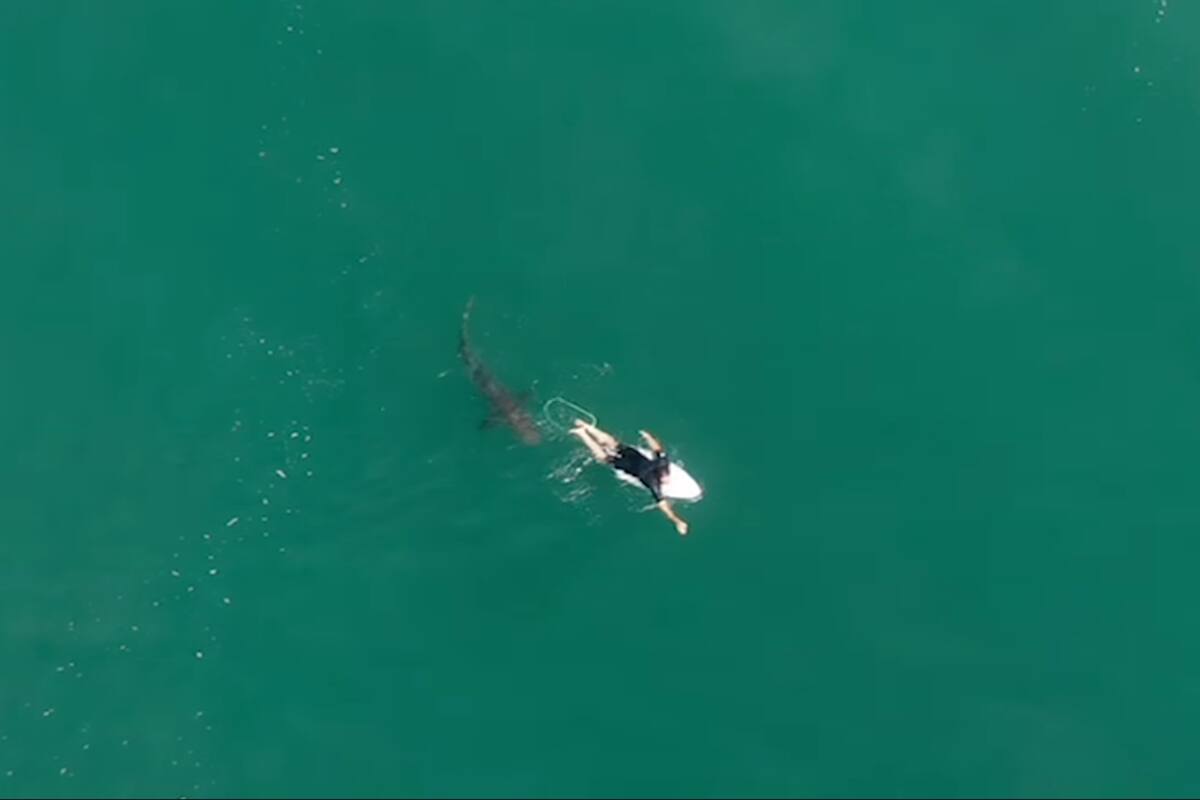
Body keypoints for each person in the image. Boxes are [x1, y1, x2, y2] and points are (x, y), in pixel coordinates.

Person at [569, 419, 689, 535]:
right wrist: (677, 521)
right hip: (626, 465)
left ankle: (586, 426)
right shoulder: (653, 483)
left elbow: (657, 449)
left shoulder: (662, 464)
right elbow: (663, 506)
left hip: (632, 454)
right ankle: (582, 433)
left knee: (613, 443)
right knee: (603, 457)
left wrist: (648, 437)